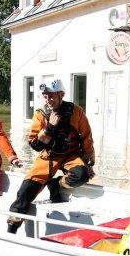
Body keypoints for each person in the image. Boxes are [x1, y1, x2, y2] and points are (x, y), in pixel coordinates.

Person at [7, 79, 95, 234]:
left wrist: (89, 163)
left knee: (81, 175)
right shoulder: (41, 115)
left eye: (52, 96)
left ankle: (56, 184)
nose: (48, 100)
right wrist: (50, 127)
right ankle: (11, 229)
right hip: (48, 157)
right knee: (25, 192)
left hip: (71, 156)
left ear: (61, 94)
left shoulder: (77, 111)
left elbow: (86, 138)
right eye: (45, 97)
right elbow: (35, 145)